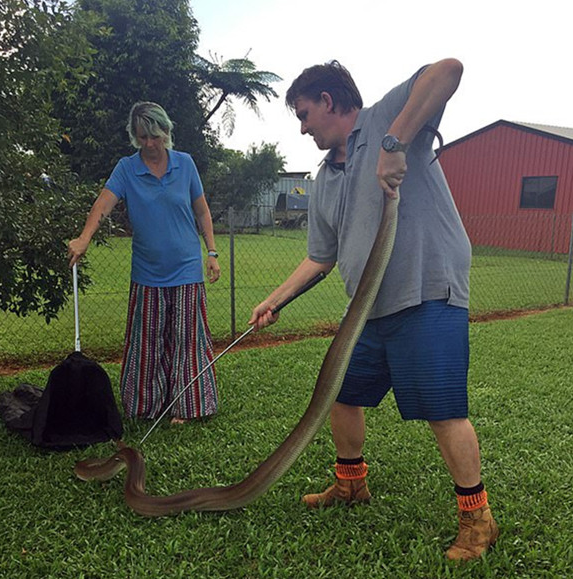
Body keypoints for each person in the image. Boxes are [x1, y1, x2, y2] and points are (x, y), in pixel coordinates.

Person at [249, 59, 498, 561]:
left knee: (442, 410)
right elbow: (321, 256)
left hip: (426, 290)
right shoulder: (323, 179)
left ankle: (478, 520)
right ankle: (350, 484)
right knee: (342, 392)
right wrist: (275, 299)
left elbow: (447, 70)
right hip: (369, 308)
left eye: (303, 113)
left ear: (328, 101)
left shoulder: (387, 116)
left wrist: (393, 143)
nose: (301, 127)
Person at [68, 101, 220, 424]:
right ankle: (146, 406)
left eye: (155, 136)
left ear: (166, 132)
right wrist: (84, 238)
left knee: (187, 340)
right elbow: (103, 204)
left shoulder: (186, 164)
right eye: (142, 137)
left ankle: (186, 407)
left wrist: (212, 252)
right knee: (146, 341)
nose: (150, 144)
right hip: (147, 272)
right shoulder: (126, 168)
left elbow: (202, 211)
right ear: (135, 137)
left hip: (187, 269)